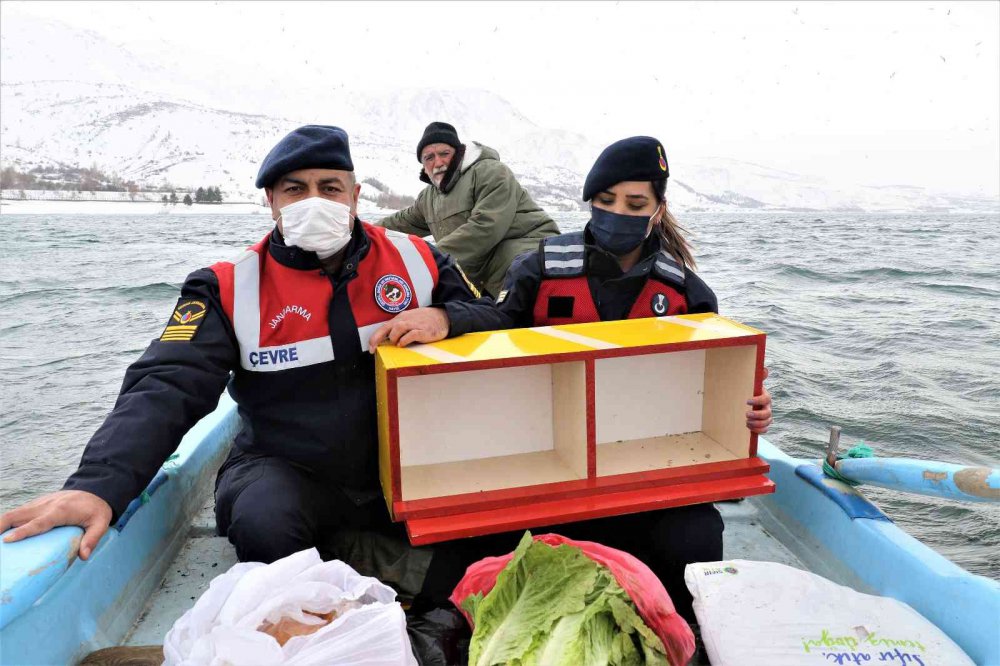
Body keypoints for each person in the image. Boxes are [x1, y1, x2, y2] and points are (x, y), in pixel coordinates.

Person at [0, 125, 507, 578]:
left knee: (495, 528)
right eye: (295, 189)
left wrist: (444, 316)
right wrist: (98, 484)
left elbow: (497, 317)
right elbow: (167, 382)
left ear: (354, 195)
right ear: (271, 200)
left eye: (329, 188)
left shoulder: (418, 258)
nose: (315, 200)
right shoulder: (225, 287)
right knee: (264, 524)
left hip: (405, 465)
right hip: (287, 464)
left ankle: (369, 561)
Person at [486, 135, 774, 619]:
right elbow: (492, 330)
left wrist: (750, 410)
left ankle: (689, 631)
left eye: (635, 203)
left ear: (657, 209)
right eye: (605, 201)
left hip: (650, 483)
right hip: (555, 476)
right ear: (590, 202)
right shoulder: (537, 268)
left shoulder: (687, 292)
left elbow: (719, 382)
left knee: (698, 532)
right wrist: (446, 318)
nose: (618, 212)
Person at [376, 121, 560, 298]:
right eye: (429, 158)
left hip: (526, 260)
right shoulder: (429, 197)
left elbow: (486, 226)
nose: (438, 162)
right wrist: (362, 231)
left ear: (458, 153)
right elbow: (400, 223)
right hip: (482, 275)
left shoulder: (491, 172)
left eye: (444, 153)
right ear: (423, 165)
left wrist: (428, 260)